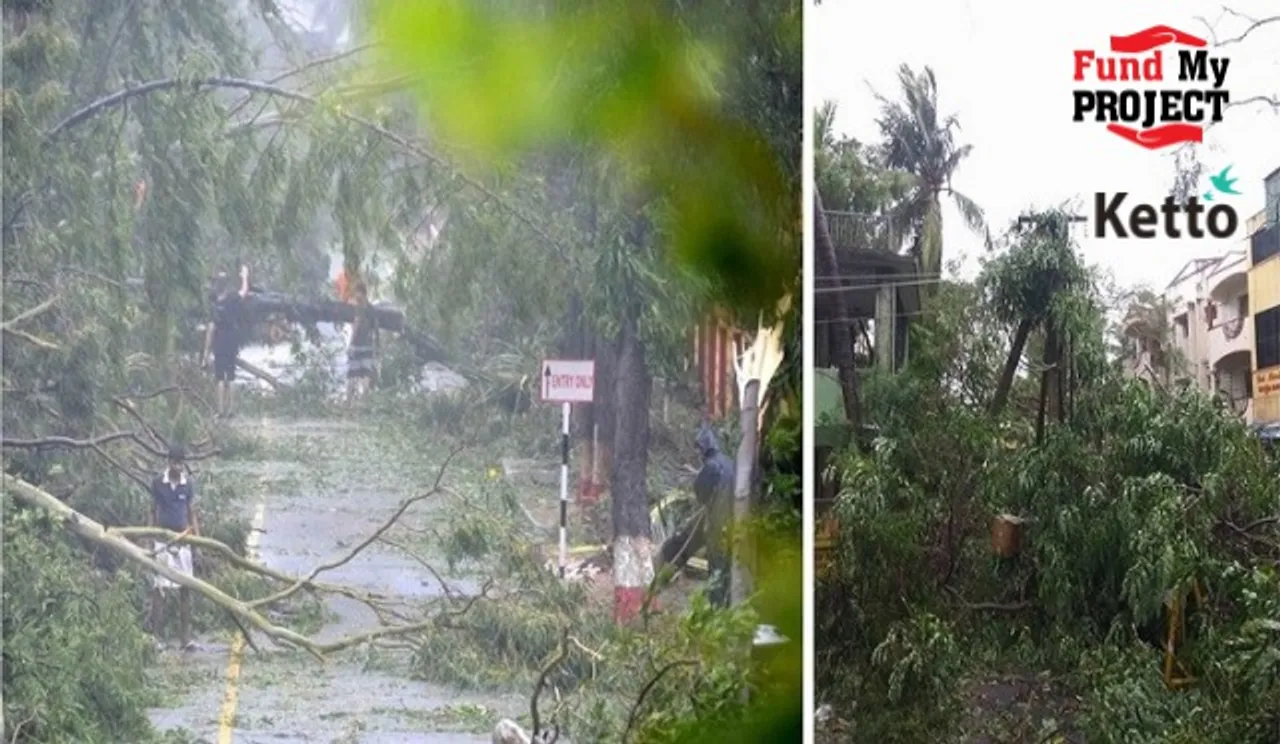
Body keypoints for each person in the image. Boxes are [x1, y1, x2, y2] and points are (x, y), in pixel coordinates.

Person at [149, 445, 200, 651]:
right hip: (162, 542)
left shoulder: (187, 486)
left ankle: (185, 639)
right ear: (168, 462)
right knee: (160, 589)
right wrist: (149, 538)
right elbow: (152, 511)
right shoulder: (158, 484)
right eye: (174, 462)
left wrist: (197, 544)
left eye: (180, 463)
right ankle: (156, 637)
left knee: (185, 589)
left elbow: (191, 514)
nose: (177, 467)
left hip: (184, 542)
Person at [202, 265, 250, 418]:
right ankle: (231, 411)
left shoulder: (216, 306)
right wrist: (244, 276)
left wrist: (206, 353)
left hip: (220, 344)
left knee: (219, 379)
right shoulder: (233, 299)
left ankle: (220, 411)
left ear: (217, 286)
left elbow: (211, 330)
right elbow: (244, 292)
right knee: (231, 377)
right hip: (232, 342)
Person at [346, 281, 378, 402]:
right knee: (366, 374)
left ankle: (349, 401)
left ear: (359, 292)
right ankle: (364, 402)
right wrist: (377, 345)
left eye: (356, 293)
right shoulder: (371, 308)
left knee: (352, 374)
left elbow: (356, 324)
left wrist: (350, 343)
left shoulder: (358, 307)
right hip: (368, 345)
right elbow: (375, 327)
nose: (355, 296)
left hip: (357, 345)